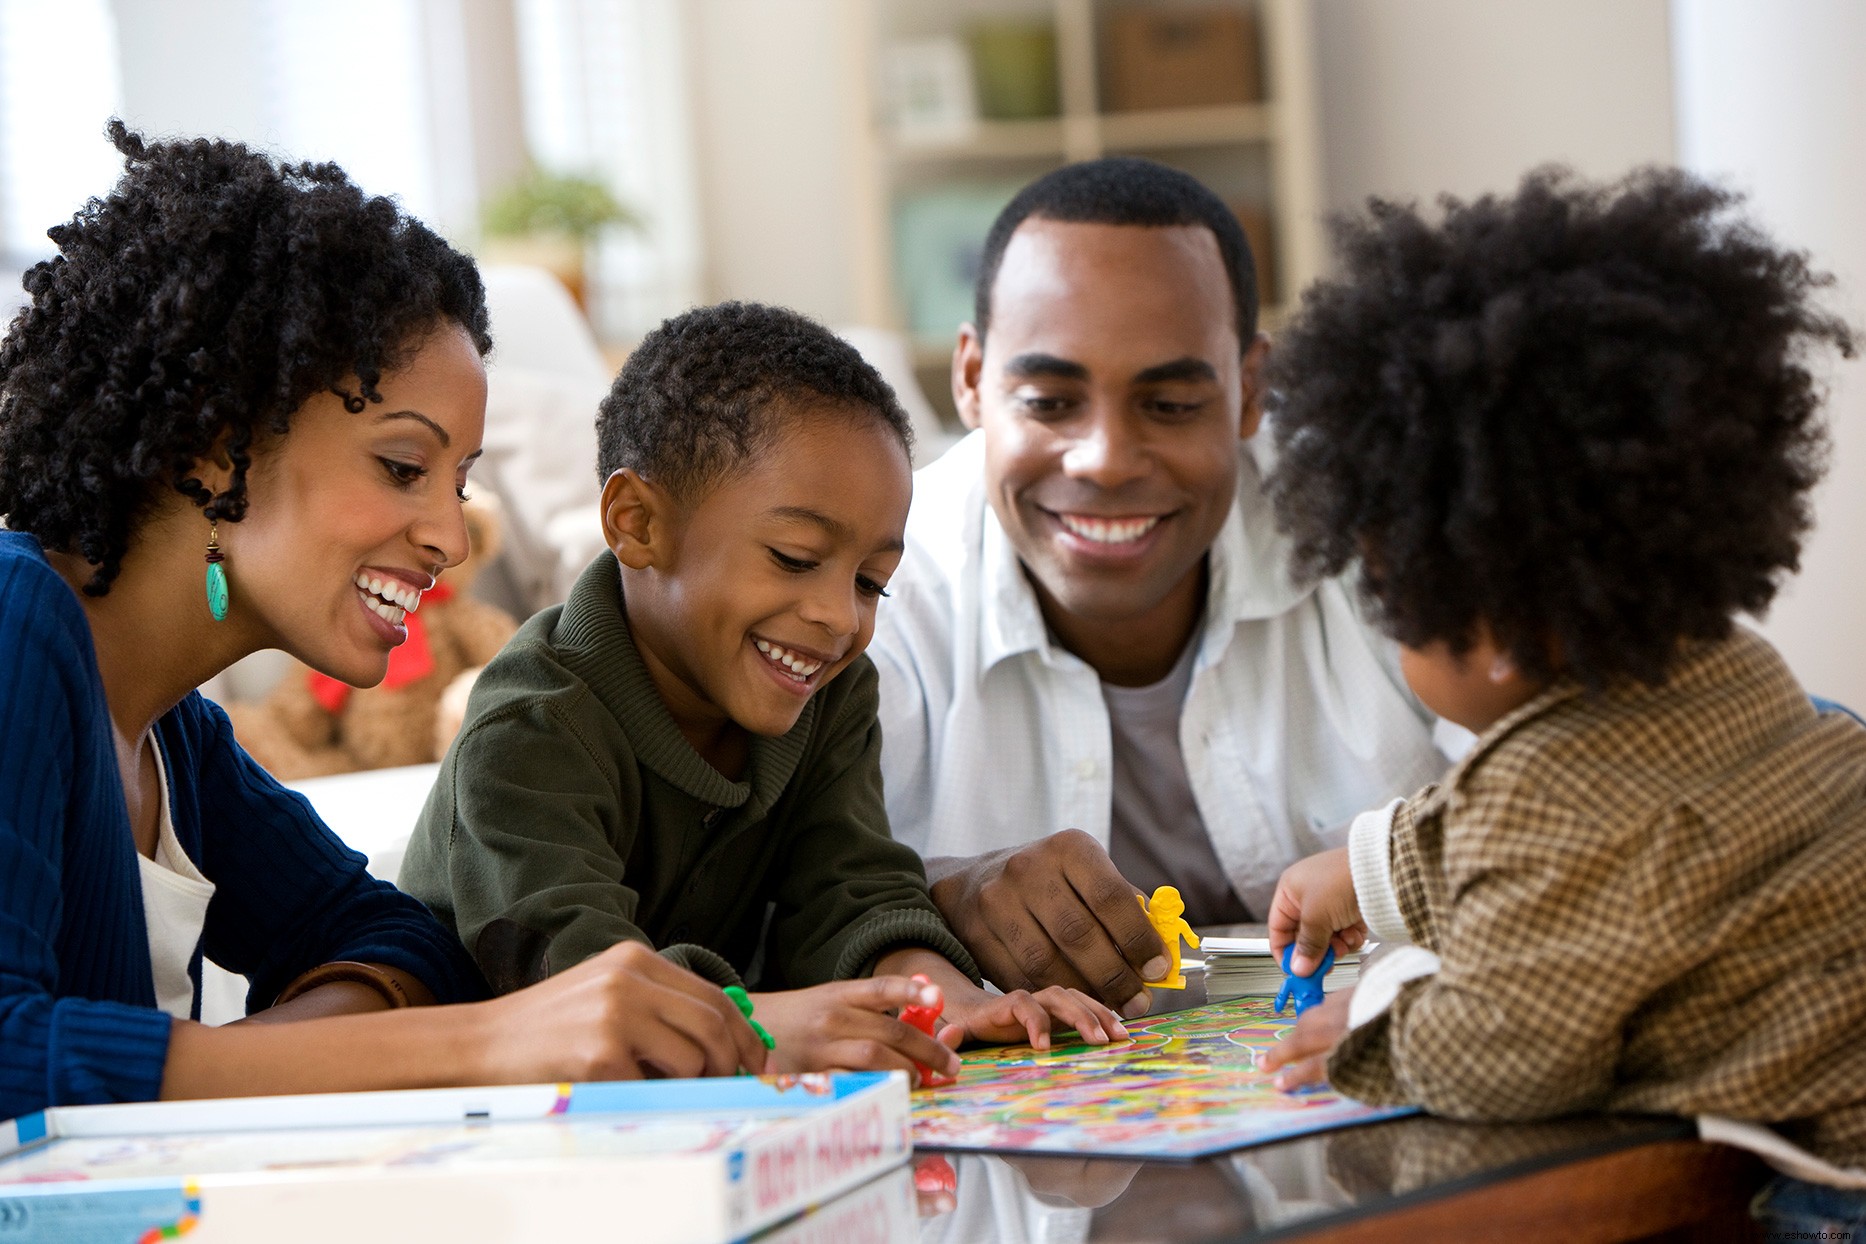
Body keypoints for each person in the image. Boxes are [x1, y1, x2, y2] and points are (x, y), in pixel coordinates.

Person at [0, 124, 775, 1121]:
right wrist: (487, 1040)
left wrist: (273, 1062)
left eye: (460, 482)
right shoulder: (20, 624)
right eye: (403, 467)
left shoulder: (170, 730)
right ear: (208, 443)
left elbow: (397, 937)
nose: (452, 538)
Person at [1256, 168, 1866, 1230]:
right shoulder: (1729, 663)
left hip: (1820, 1188)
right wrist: (1364, 867)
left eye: (1393, 596)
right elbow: (1544, 831)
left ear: (1487, 634)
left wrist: (1379, 1017)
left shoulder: (1546, 798)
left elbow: (1505, 1053)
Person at [399, 301, 1125, 1084]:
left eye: (871, 582)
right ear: (637, 523)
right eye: (794, 556)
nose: (837, 617)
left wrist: (939, 998)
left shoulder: (828, 694)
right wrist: (769, 1025)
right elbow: (575, 981)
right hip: (493, 1130)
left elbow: (851, 888)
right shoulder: (531, 726)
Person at [871, 157, 1452, 1016]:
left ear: (1250, 389)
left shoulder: (1382, 522)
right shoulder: (877, 589)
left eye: (1171, 404)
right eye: (1047, 400)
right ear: (970, 379)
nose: (1104, 460)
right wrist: (940, 897)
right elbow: (775, 901)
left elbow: (1586, 783)